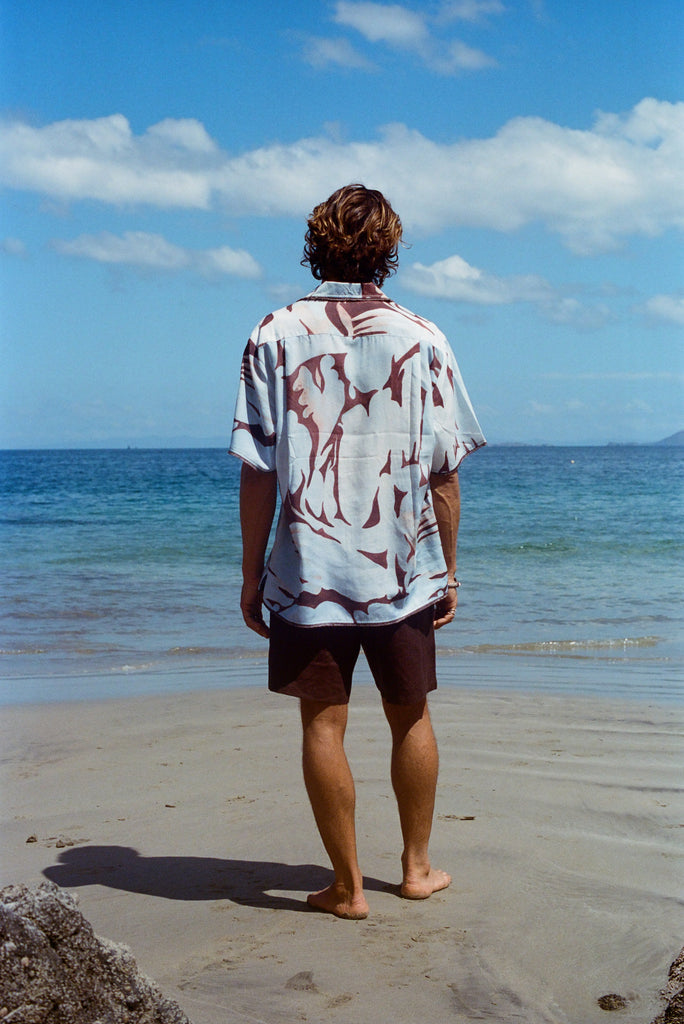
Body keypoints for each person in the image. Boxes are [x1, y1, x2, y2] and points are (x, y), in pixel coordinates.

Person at [229, 184, 485, 920]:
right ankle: (415, 868)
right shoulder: (423, 337)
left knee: (322, 723)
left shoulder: (272, 333)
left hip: (308, 570)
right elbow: (444, 475)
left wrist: (252, 575)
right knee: (411, 715)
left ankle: (345, 888)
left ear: (316, 244)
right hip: (401, 568)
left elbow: (257, 470)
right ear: (389, 248)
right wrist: (450, 571)